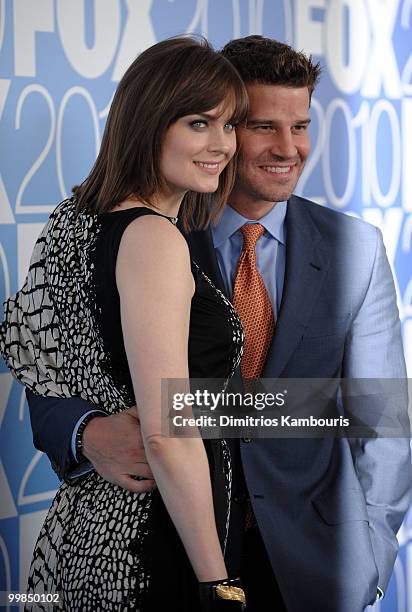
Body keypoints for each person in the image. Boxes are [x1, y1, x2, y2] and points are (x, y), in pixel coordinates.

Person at [13, 36, 411, 612]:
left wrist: (370, 558)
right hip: (170, 542)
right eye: (258, 125)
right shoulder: (153, 228)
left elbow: (379, 415)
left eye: (299, 126)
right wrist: (86, 432)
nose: (286, 148)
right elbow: (54, 371)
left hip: (310, 559)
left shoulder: (355, 247)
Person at [0, 36, 251, 611]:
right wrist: (218, 584)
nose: (222, 145)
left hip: (95, 526)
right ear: (149, 124)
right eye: (199, 123)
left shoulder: (74, 221)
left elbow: (33, 349)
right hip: (151, 540)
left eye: (230, 125)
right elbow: (167, 431)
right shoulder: (153, 238)